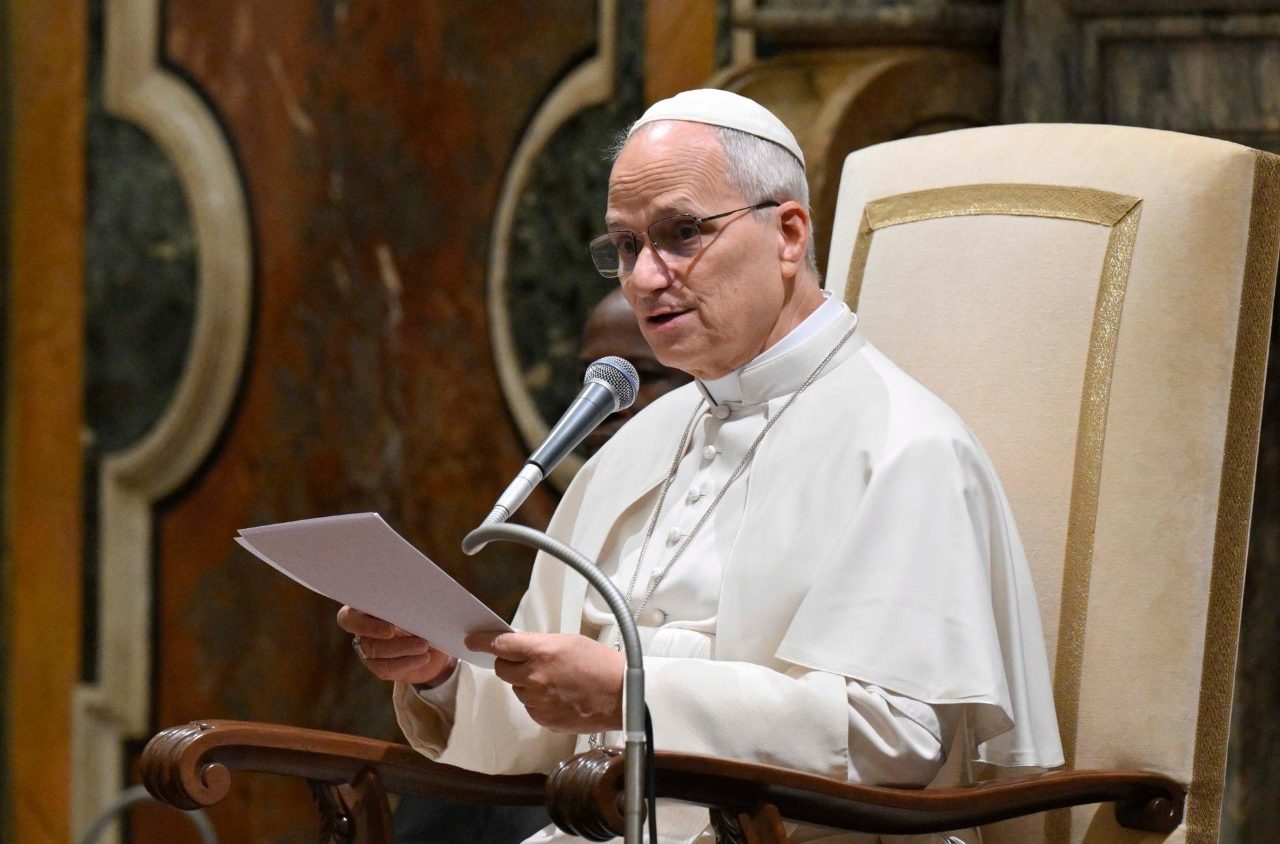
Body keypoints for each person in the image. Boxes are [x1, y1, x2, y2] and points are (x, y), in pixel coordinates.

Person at [340, 89, 1063, 843]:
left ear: (788, 234)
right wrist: (440, 672)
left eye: (681, 233)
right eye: (626, 246)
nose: (645, 278)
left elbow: (891, 738)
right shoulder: (638, 445)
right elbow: (543, 732)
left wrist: (629, 693)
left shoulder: (906, 446)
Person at [392, 288, 689, 844]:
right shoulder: (593, 491)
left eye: (638, 377)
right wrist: (440, 674)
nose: (603, 407)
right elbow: (536, 720)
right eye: (593, 380)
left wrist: (622, 692)